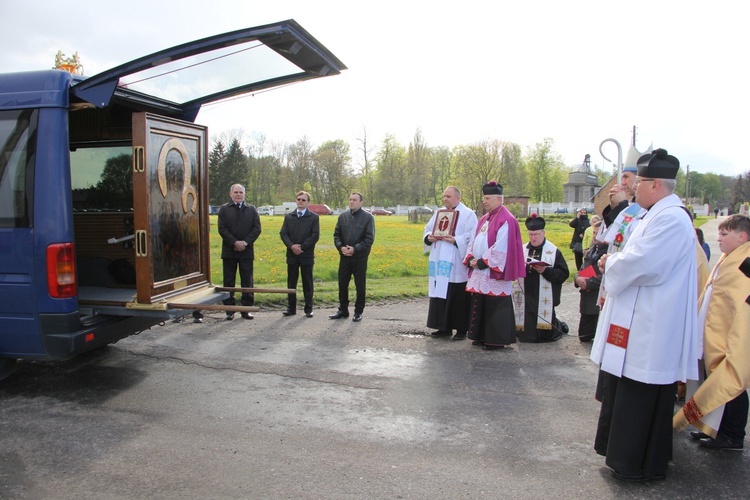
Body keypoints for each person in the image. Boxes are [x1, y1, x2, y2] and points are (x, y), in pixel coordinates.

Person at [590, 148, 700, 482]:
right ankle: (627, 457)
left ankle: (636, 463)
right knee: (628, 391)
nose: (633, 188)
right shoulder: (653, 214)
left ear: (655, 185)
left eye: (638, 182)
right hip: (639, 318)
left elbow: (644, 263)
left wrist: (611, 263)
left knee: (640, 394)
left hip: (652, 325)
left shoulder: (670, 218)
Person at [674, 214, 750, 451]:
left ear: (742, 236)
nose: (718, 239)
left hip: (731, 337)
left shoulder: (745, 263)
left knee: (732, 386)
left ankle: (733, 435)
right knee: (715, 383)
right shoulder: (729, 259)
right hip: (714, 335)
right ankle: (717, 430)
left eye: (724, 234)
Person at [464, 181, 526, 350]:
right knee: (481, 301)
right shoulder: (484, 218)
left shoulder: (507, 219)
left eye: (488, 198)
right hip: (480, 269)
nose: (484, 201)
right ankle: (481, 335)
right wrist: (471, 257)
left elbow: (502, 246)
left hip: (493, 271)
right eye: (484, 198)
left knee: (494, 305)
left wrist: (483, 262)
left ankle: (496, 339)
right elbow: (475, 240)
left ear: (499, 199)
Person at [423, 186, 478, 340]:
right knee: (440, 292)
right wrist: (429, 237)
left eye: (448, 196)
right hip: (439, 257)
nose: (445, 199)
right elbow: (427, 229)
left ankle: (461, 329)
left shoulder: (468, 214)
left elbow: (472, 236)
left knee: (457, 294)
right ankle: (443, 327)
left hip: (455, 260)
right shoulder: (439, 213)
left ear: (457, 198)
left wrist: (456, 240)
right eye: (444, 196)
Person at [514, 214, 570, 343]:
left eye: (536, 235)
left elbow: (563, 273)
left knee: (546, 334)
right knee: (525, 334)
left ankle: (559, 326)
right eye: (531, 235)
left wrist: (545, 270)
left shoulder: (553, 251)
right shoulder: (522, 249)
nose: (533, 238)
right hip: (526, 293)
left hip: (544, 294)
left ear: (543, 232)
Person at [218, 183, 262, 320]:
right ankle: (230, 310)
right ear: (231, 194)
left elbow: (257, 228)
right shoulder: (224, 209)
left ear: (244, 194)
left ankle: (246, 309)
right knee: (229, 281)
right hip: (229, 251)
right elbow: (222, 229)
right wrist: (234, 242)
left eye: (240, 192)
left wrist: (245, 242)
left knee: (247, 281)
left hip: (246, 251)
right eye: (235, 192)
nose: (238, 194)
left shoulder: (252, 209)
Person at [330, 192, 375, 322]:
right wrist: (341, 247)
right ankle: (343, 310)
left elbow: (369, 238)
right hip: (344, 256)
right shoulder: (343, 217)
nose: (351, 202)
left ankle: (358, 311)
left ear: (361, 202)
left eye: (354, 200)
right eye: (350, 199)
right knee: (342, 284)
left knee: (359, 285)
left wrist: (355, 249)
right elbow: (336, 235)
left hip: (360, 258)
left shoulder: (368, 218)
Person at [280, 190, 320, 318]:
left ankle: (308, 308)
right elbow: (283, 233)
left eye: (303, 200)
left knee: (307, 282)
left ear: (308, 202)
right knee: (291, 282)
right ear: (296, 201)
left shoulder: (313, 217)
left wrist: (301, 247)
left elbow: (315, 235)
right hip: (292, 255)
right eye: (298, 199)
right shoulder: (289, 217)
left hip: (306, 255)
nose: (301, 202)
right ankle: (291, 308)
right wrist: (292, 246)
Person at [574, 218, 607, 342]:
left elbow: (606, 276)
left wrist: (588, 282)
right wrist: (577, 278)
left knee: (598, 336)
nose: (594, 236)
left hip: (598, 295)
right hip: (587, 298)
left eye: (597, 233)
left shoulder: (609, 251)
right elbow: (584, 269)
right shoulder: (592, 249)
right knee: (584, 336)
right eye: (593, 232)